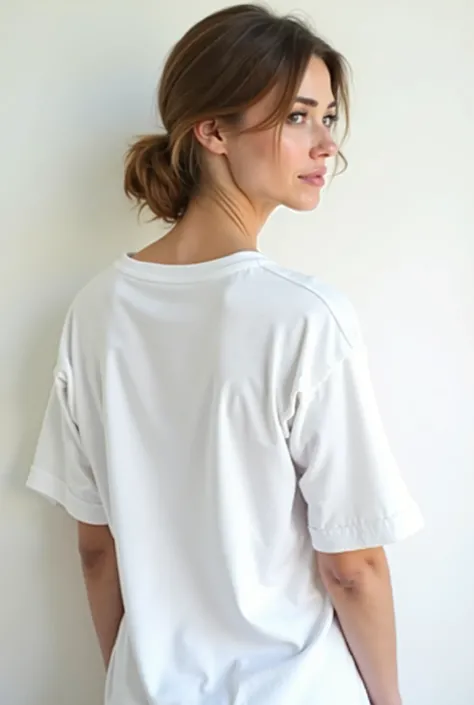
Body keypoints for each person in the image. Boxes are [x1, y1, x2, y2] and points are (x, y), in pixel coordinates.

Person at [26, 4, 423, 705]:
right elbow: (353, 564)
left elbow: (96, 548)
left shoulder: (93, 312)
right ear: (212, 130)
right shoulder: (307, 317)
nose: (325, 143)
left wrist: (133, 676)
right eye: (298, 116)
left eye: (328, 117)